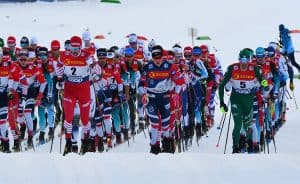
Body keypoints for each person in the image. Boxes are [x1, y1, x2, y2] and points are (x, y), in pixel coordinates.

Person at [218, 48, 269, 153]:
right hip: (236, 98)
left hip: (249, 99)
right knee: (237, 123)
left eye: (246, 60)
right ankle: (235, 147)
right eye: (242, 60)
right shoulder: (232, 68)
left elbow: (263, 81)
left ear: (250, 60)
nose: (244, 63)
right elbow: (222, 85)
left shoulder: (254, 69)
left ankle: (248, 141)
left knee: (248, 123)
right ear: (239, 59)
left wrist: (265, 85)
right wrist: (222, 103)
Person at [138, 45, 184, 154]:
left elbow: (180, 81)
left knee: (165, 124)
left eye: (159, 57)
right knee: (154, 123)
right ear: (152, 57)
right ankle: (154, 148)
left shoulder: (170, 66)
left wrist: (176, 93)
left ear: (162, 57)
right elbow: (140, 84)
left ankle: (168, 146)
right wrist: (143, 94)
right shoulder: (147, 67)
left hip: (165, 98)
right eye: (155, 58)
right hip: (151, 98)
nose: (157, 60)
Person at [56, 35, 94, 155]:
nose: (75, 51)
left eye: (77, 48)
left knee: (85, 119)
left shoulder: (86, 55)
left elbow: (96, 69)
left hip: (83, 90)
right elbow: (58, 66)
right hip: (70, 90)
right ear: (69, 47)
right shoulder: (64, 56)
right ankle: (68, 143)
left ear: (81, 47)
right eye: (73, 48)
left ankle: (85, 142)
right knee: (68, 117)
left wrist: (92, 65)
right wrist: (60, 79)